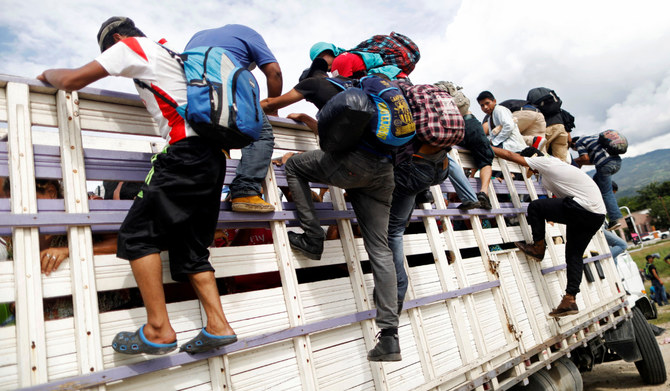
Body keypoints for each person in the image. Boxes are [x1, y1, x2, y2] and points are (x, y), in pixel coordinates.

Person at [38, 16, 237, 355]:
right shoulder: (172, 57)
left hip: (184, 154)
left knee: (137, 235)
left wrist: (46, 75)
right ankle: (218, 325)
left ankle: (158, 329)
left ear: (116, 38)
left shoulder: (134, 47)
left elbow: (71, 80)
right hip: (214, 157)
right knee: (190, 247)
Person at [493, 146, 606, 317]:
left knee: (536, 207)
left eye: (528, 165)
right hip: (596, 215)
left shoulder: (544, 162)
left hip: (583, 208)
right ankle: (570, 299)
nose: (529, 169)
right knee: (574, 256)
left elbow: (509, 155)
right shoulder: (554, 169)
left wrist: (484, 145)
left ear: (533, 160)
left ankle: (538, 248)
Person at [186, 24, 283, 213]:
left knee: (219, 125)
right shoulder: (249, 33)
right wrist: (273, 108)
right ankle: (245, 191)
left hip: (193, 92)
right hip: (221, 84)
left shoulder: (197, 35)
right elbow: (274, 72)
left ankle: (219, 160)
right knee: (260, 133)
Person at [571, 133, 623, 230]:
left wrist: (573, 161)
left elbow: (584, 158)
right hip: (617, 162)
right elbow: (590, 160)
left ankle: (614, 219)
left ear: (573, 144)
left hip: (605, 165)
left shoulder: (578, 143)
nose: (576, 150)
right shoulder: (592, 138)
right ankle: (597, 209)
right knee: (594, 184)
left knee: (606, 192)